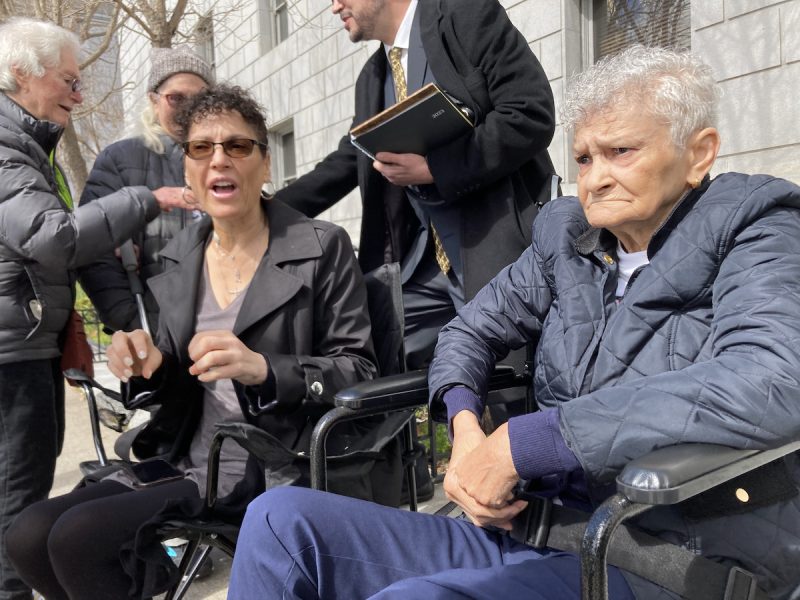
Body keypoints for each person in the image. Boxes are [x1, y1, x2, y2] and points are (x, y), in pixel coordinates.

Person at [227, 45, 800, 600]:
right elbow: (468, 332)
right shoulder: (568, 237)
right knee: (281, 521)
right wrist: (467, 429)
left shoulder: (757, 226)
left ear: (699, 153)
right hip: (534, 528)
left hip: (662, 556)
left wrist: (527, 445)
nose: (595, 177)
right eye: (583, 158)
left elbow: (771, 380)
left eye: (621, 152)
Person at [5, 84, 380, 600]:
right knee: (26, 535)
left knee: (78, 537)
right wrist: (145, 363)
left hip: (272, 461)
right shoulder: (182, 254)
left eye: (238, 146)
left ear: (265, 165)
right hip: (187, 453)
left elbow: (359, 370)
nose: (219, 160)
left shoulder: (319, 246)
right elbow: (173, 381)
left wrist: (264, 370)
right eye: (201, 148)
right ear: (187, 171)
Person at [0, 18, 191, 600]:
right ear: (19, 75)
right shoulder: (11, 150)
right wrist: (148, 200)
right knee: (17, 494)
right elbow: (55, 239)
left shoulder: (27, 145)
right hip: (14, 355)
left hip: (31, 344)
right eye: (68, 80)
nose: (79, 95)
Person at [276, 0, 557, 371]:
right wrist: (264, 211)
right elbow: (350, 159)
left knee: (509, 393)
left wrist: (436, 169)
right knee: (368, 363)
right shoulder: (371, 78)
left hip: (495, 254)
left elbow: (529, 113)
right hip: (420, 271)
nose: (334, 7)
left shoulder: (464, 15)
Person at [79, 46, 214, 332]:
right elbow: (93, 251)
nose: (188, 108)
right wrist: (134, 325)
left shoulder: (229, 157)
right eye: (175, 98)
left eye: (200, 98)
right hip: (152, 338)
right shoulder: (120, 160)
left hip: (226, 332)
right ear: (154, 101)